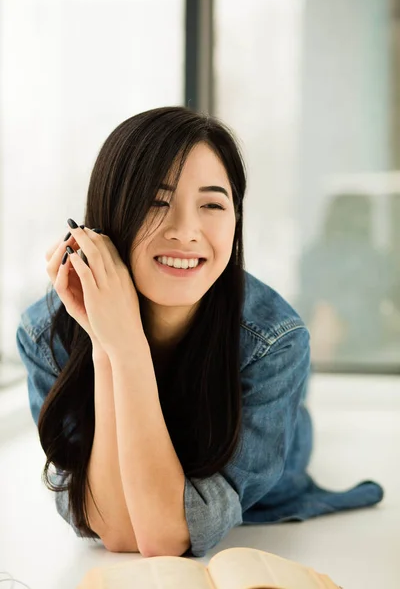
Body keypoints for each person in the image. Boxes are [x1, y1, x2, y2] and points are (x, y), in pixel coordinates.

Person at [15, 106, 383, 558]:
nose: (186, 232)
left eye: (212, 204)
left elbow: (166, 537)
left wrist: (125, 346)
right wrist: (107, 344)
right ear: (107, 218)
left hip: (270, 459)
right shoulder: (43, 334)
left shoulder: (274, 339)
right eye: (155, 201)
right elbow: (120, 533)